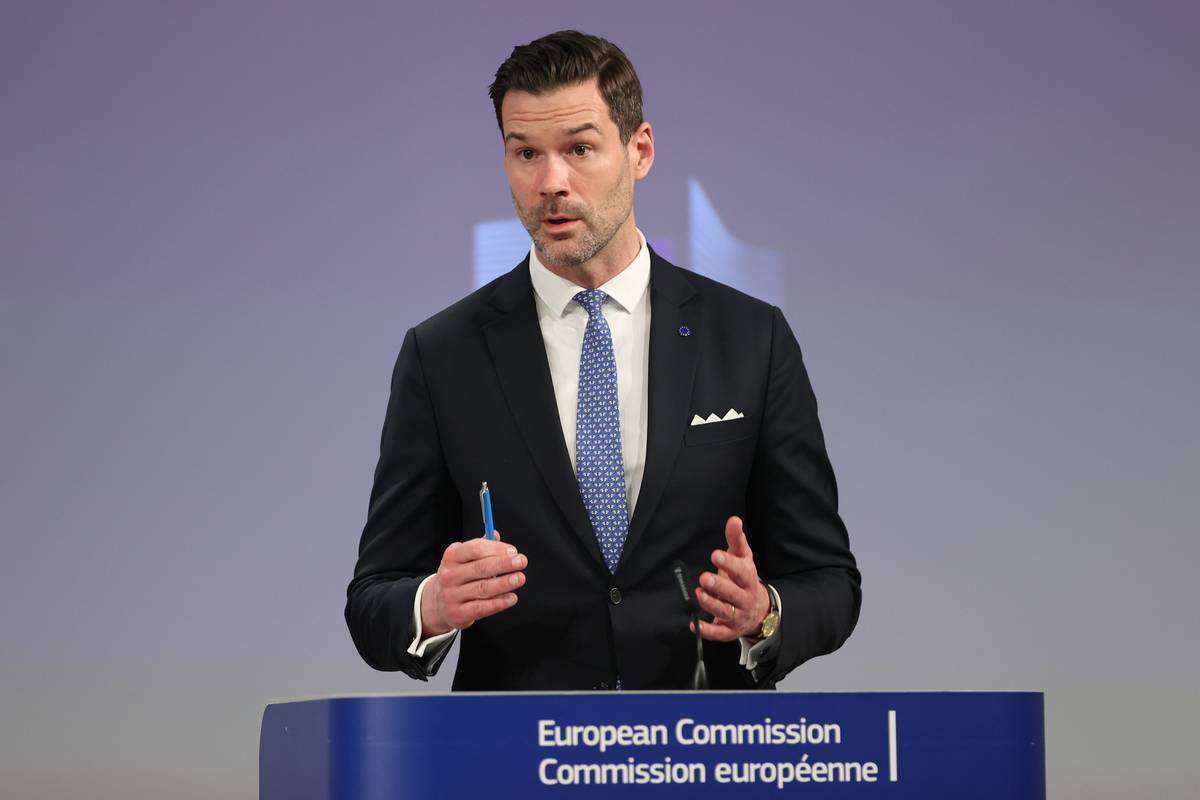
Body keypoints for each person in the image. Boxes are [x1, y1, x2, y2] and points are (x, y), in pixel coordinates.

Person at [345, 30, 860, 690]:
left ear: (639, 151)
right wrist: (433, 605)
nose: (551, 181)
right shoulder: (443, 354)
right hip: (519, 764)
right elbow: (373, 603)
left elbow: (829, 583)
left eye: (579, 149)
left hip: (701, 759)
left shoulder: (751, 339)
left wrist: (764, 615)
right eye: (525, 152)